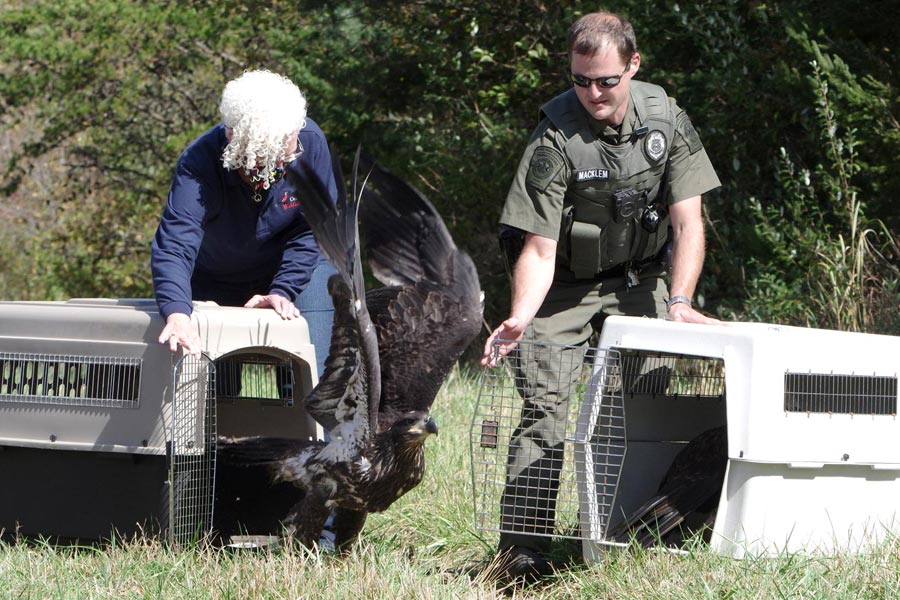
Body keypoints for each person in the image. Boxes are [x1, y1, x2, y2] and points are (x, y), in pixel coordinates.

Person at [480, 11, 721, 582]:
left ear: (633, 66)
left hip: (641, 283)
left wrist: (680, 300)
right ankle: (524, 554)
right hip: (562, 287)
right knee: (543, 412)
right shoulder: (554, 139)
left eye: (606, 80)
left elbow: (689, 224)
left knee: (648, 409)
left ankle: (640, 536)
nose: (593, 92)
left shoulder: (667, 119)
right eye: (581, 79)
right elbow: (537, 249)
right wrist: (519, 317)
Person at [151, 69, 337, 374]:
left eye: (293, 143)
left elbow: (313, 228)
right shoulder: (199, 162)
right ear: (245, 148)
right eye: (280, 154)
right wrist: (176, 313)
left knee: (312, 368)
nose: (295, 151)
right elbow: (175, 243)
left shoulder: (310, 142)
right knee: (213, 382)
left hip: (298, 265)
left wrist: (283, 290)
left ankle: (315, 422)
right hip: (216, 275)